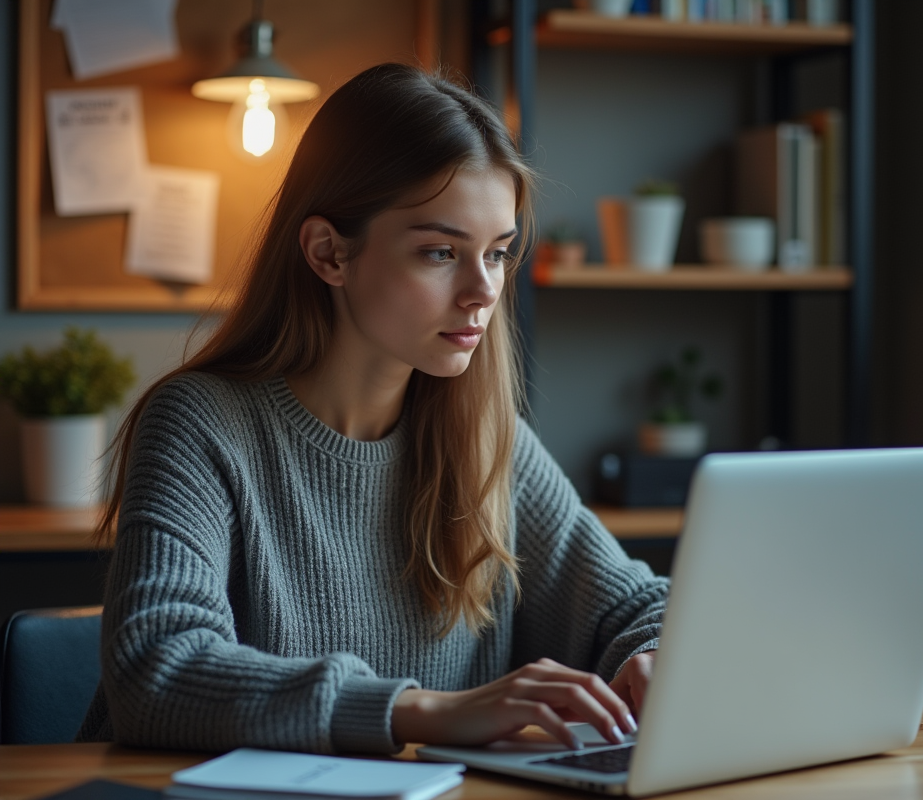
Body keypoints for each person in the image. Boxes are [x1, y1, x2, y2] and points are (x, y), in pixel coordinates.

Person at [76, 63, 668, 756]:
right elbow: (156, 668)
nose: (483, 291)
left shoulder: (483, 437)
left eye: (498, 253)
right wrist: (421, 711)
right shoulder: (201, 424)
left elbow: (632, 605)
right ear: (329, 253)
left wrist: (653, 654)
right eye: (440, 252)